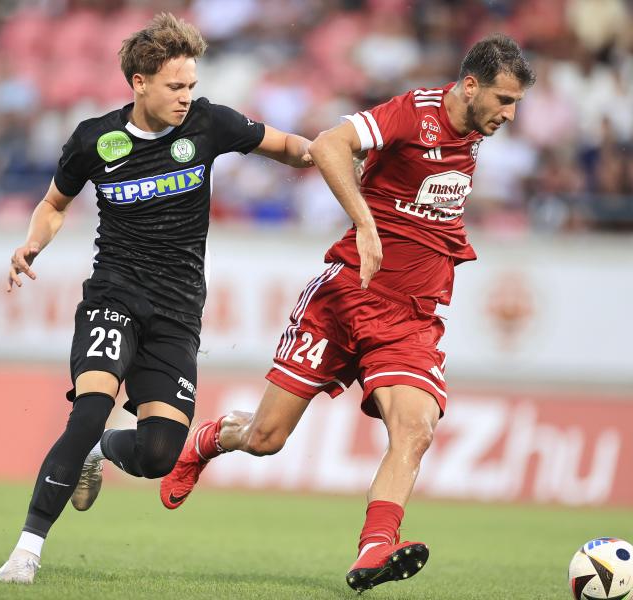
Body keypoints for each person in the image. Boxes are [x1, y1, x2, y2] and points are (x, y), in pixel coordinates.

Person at [159, 34, 536, 592]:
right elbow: (330, 144)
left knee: (416, 429)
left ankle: (375, 546)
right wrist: (364, 223)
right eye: (504, 100)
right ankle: (209, 439)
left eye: (517, 104)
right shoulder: (414, 112)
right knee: (265, 438)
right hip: (344, 299)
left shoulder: (473, 129)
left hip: (410, 318)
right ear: (470, 86)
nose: (510, 115)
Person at [0, 12, 312, 584]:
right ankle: (25, 551)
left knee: (161, 453)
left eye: (191, 84)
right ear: (139, 83)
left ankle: (97, 452)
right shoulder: (94, 139)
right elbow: (54, 204)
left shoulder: (209, 124)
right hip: (114, 295)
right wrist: (32, 244)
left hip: (177, 313)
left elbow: (287, 145)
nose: (187, 96)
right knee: (89, 409)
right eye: (175, 86)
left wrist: (329, 154)